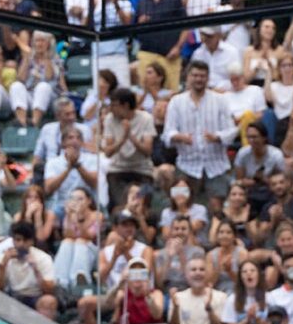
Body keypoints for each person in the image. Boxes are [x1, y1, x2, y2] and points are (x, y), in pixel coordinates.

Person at [162, 60, 238, 214]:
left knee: (217, 207)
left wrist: (217, 137)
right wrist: (180, 137)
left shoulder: (220, 100)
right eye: (195, 75)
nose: (198, 79)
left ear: (208, 78)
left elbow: (231, 131)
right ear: (188, 77)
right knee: (181, 206)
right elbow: (166, 134)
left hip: (216, 164)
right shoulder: (176, 102)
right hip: (187, 164)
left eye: (202, 76)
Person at [101, 87, 156, 209]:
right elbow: (108, 152)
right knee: (121, 207)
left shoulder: (146, 118)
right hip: (118, 170)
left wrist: (131, 136)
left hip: (142, 170)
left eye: (114, 105)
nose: (111, 108)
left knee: (141, 206)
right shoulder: (109, 119)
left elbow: (147, 151)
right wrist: (123, 138)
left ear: (125, 105)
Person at [0, 221, 55, 308]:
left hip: (35, 297)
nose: (21, 244)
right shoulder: (3, 258)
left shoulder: (43, 258)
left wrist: (36, 270)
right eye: (18, 240)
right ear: (13, 240)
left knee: (48, 301)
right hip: (13, 296)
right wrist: (3, 266)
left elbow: (50, 290)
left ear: (32, 242)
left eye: (25, 240)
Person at [168, 257, 227, 324]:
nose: (198, 273)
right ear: (186, 275)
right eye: (193, 270)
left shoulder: (220, 297)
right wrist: (176, 308)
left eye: (202, 269)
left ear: (207, 274)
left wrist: (209, 308)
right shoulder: (178, 297)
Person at [110, 256, 164, 324]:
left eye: (141, 273)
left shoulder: (156, 294)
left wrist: (147, 295)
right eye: (134, 273)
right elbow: (109, 305)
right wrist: (120, 283)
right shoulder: (123, 294)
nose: (137, 277)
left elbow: (157, 315)